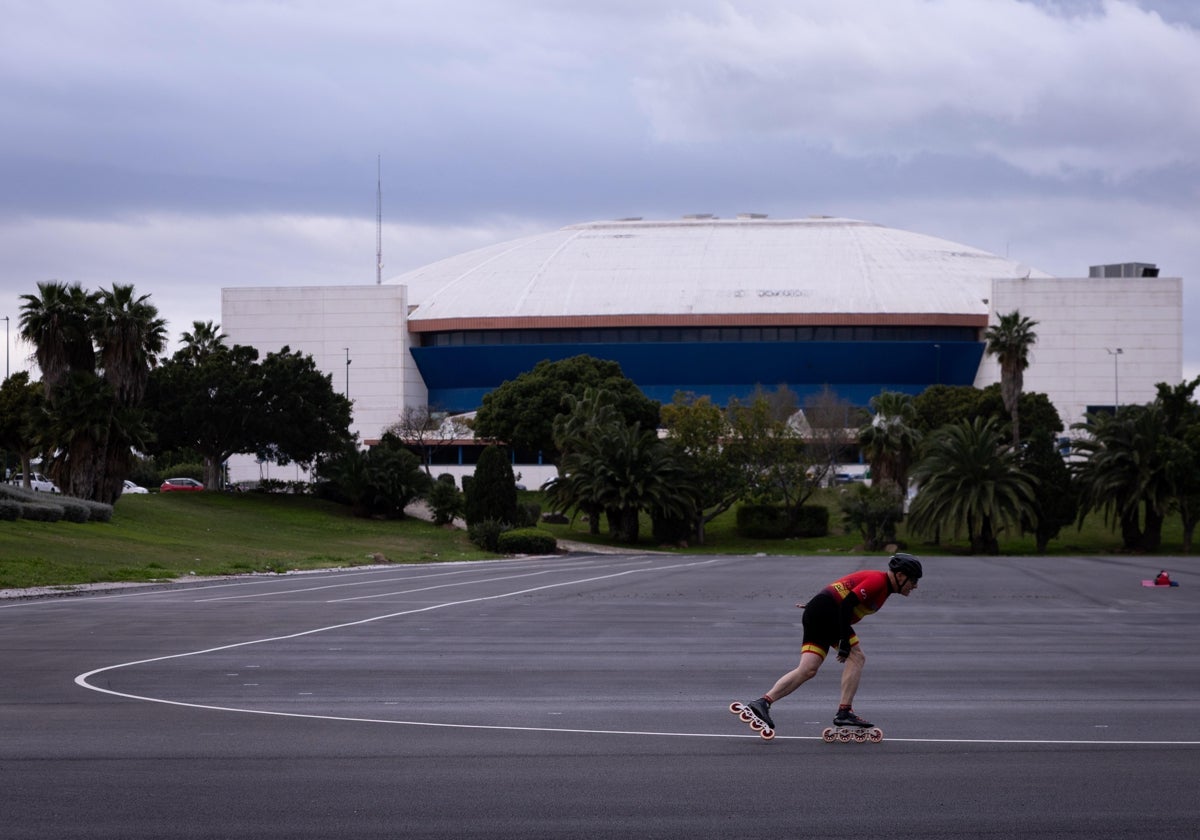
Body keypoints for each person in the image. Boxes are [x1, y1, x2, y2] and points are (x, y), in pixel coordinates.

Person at [740, 553, 923, 732]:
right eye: (913, 580)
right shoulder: (878, 581)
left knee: (808, 669)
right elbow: (846, 605)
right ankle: (844, 711)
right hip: (828, 613)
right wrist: (843, 639)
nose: (915, 586)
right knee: (857, 657)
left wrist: (814, 605)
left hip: (820, 611)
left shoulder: (884, 587)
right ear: (900, 575)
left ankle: (762, 702)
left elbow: (839, 589)